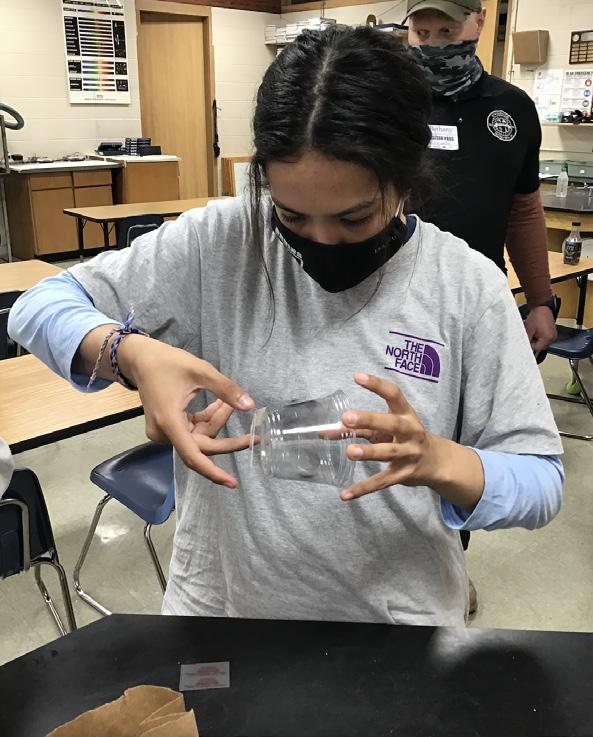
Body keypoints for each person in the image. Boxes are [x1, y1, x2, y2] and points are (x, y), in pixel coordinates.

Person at [9, 26, 563, 627]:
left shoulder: (464, 284)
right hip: (223, 611)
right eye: (291, 215)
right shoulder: (219, 241)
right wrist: (130, 354)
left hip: (396, 629)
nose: (322, 240)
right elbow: (39, 306)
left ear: (406, 179)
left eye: (354, 218)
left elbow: (540, 480)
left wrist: (440, 459)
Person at [405, 0, 558, 354]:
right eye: (421, 33)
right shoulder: (388, 103)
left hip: (482, 299)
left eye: (447, 32)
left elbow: (523, 212)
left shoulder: (513, 107)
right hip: (399, 298)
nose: (434, 46)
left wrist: (540, 301)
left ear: (480, 21)